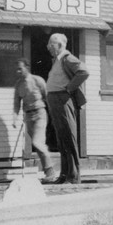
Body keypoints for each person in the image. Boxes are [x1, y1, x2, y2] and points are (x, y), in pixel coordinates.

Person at [45, 33, 89, 184]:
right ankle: (64, 175)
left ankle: (73, 176)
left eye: (50, 44)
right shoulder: (57, 60)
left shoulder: (67, 58)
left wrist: (69, 89)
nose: (48, 47)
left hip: (63, 100)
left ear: (59, 45)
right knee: (61, 139)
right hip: (55, 101)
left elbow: (83, 72)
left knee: (69, 138)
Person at [12, 58, 56, 183]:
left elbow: (47, 97)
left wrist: (53, 115)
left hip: (40, 114)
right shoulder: (18, 85)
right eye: (17, 69)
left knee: (37, 142)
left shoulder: (37, 80)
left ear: (27, 67)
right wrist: (15, 118)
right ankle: (48, 174)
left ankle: (51, 172)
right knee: (38, 145)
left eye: (20, 68)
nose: (18, 71)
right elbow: (16, 103)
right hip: (28, 117)